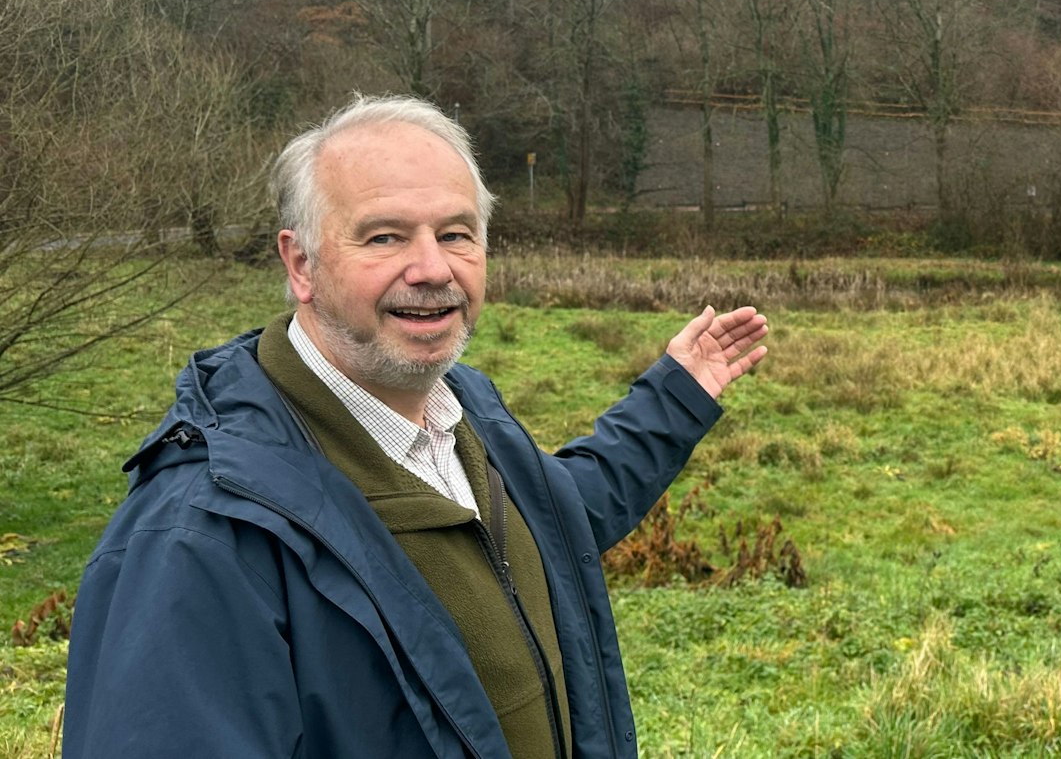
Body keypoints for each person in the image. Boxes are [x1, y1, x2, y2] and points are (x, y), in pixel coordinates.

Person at [62, 95, 766, 758]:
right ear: (301, 263)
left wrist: (674, 400)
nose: (432, 268)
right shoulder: (203, 535)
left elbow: (553, 524)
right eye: (385, 236)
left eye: (456, 233)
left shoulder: (463, 407)